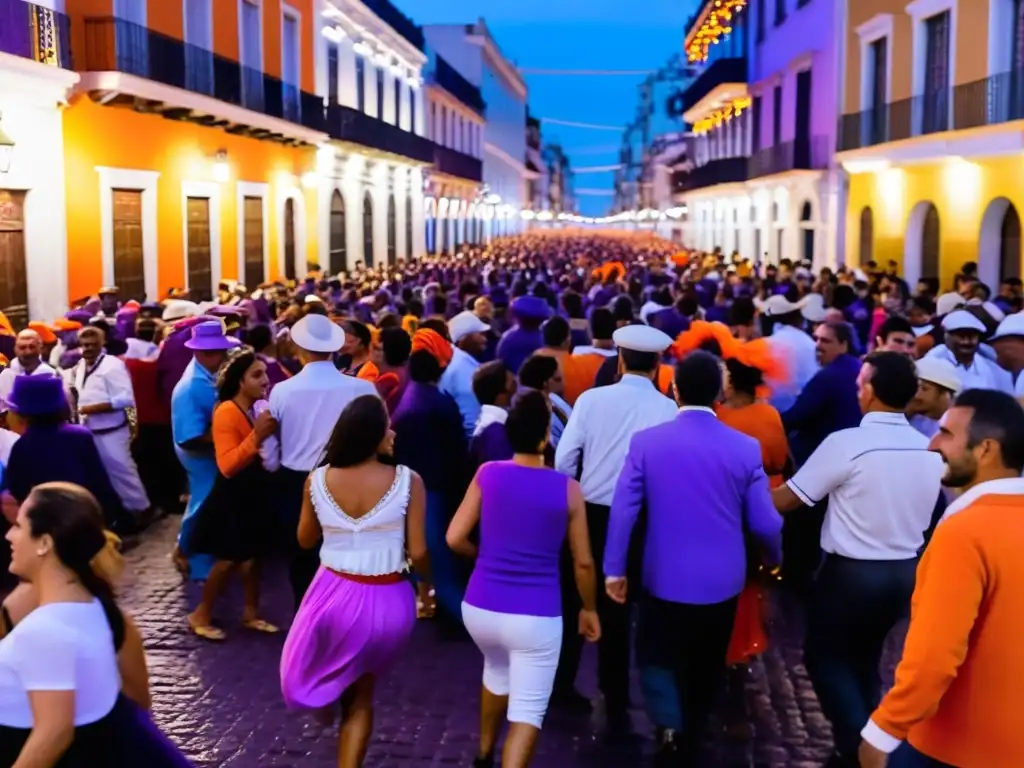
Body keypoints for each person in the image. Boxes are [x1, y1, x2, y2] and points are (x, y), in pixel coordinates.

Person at [605, 350, 783, 765]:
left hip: (661, 574)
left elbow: (623, 510)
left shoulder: (647, 443)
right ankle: (695, 728)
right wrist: (775, 559)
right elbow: (766, 523)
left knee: (655, 655)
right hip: (722, 580)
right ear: (720, 393)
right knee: (707, 661)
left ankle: (668, 725)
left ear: (674, 389)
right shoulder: (744, 448)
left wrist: (614, 568)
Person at [772, 352, 945, 767]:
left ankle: (863, 745)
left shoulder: (847, 443)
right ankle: (854, 745)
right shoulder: (927, 448)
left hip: (852, 573)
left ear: (869, 391)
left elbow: (788, 501)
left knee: (824, 657)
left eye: (861, 383)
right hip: (904, 573)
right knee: (865, 660)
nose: (857, 388)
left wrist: (743, 487)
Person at [859, 389, 1024, 768]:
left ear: (985, 450)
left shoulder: (964, 532)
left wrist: (882, 731)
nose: (933, 443)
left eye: (947, 433)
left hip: (956, 745)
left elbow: (933, 657)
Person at [447, 391, 600, 768]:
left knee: (497, 673)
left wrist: (482, 555)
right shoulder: (567, 489)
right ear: (545, 438)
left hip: (482, 605)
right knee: (529, 711)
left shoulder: (488, 474)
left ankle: (483, 753)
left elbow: (454, 538)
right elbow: (582, 562)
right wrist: (589, 608)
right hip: (537, 614)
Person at [280, 395, 428, 768]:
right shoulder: (409, 481)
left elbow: (304, 540)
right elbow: (421, 551)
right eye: (387, 426)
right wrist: (426, 588)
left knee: (332, 673)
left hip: (331, 595)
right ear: (372, 434)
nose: (393, 432)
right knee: (362, 697)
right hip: (388, 600)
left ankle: (325, 698)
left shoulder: (317, 480)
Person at [0, 482, 190, 766]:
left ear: (44, 543)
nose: (9, 535)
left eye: (18, 526)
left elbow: (54, 733)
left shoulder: (44, 631)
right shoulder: (93, 607)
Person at [553, 324, 678, 733]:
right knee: (622, 605)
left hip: (588, 512)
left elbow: (565, 460)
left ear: (620, 360)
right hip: (639, 517)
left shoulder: (590, 400)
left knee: (576, 598)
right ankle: (617, 691)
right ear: (658, 364)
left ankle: (563, 684)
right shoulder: (666, 409)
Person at [268, 314, 377, 607]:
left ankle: (306, 618)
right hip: (348, 478)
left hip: (296, 479)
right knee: (348, 556)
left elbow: (269, 445)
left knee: (302, 559)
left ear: (298, 350)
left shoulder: (281, 391)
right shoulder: (361, 388)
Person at [187, 347, 280, 641]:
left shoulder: (256, 408)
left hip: (252, 493)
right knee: (228, 560)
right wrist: (258, 436)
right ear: (240, 381)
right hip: (233, 496)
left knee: (252, 559)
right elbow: (227, 465)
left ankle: (251, 613)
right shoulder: (227, 411)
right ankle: (200, 614)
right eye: (257, 375)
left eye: (264, 373)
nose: (265, 380)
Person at [392, 329, 467, 626]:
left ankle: (457, 617)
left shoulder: (413, 402)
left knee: (433, 558)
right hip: (434, 488)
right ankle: (460, 617)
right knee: (439, 560)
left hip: (422, 488)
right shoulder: (437, 400)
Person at [1, 376, 124, 527]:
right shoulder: (81, 435)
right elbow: (100, 481)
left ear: (23, 415)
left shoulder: (22, 447)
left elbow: (17, 492)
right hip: (87, 516)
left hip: (52, 525)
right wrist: (110, 517)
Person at [171, 320, 241, 581]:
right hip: (199, 453)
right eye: (214, 353)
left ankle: (190, 548)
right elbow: (189, 437)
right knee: (204, 502)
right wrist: (228, 434)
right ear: (199, 353)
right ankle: (190, 554)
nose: (221, 357)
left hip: (209, 449)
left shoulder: (209, 374)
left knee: (208, 500)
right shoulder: (191, 387)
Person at [73, 326, 152, 528]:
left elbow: (125, 398)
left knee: (124, 472)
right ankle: (122, 515)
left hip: (113, 431)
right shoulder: (81, 365)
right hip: (91, 431)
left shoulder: (112, 366)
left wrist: (93, 408)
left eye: (92, 345)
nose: (88, 348)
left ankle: (142, 509)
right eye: (84, 345)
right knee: (105, 476)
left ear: (102, 345)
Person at [441, 310, 490, 438]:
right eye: (479, 334)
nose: (484, 339)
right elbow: (472, 423)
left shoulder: (459, 360)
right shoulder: (462, 369)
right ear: (463, 339)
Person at [468, 361, 516, 473]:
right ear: (501, 394)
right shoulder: (496, 433)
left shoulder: (487, 425)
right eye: (512, 382)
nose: (516, 383)